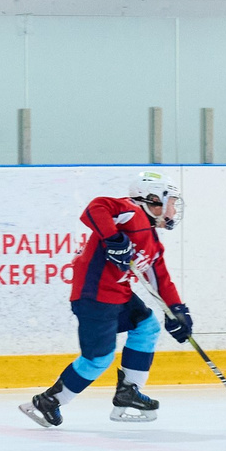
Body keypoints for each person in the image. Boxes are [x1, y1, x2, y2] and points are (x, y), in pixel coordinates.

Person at [21, 172, 192, 428]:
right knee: (98, 359)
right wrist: (113, 238)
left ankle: (128, 393)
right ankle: (48, 401)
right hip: (94, 296)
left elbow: (160, 278)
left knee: (147, 327)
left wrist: (177, 311)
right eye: (171, 201)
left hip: (119, 294)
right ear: (154, 198)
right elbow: (95, 208)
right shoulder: (131, 211)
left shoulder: (152, 241)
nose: (173, 208)